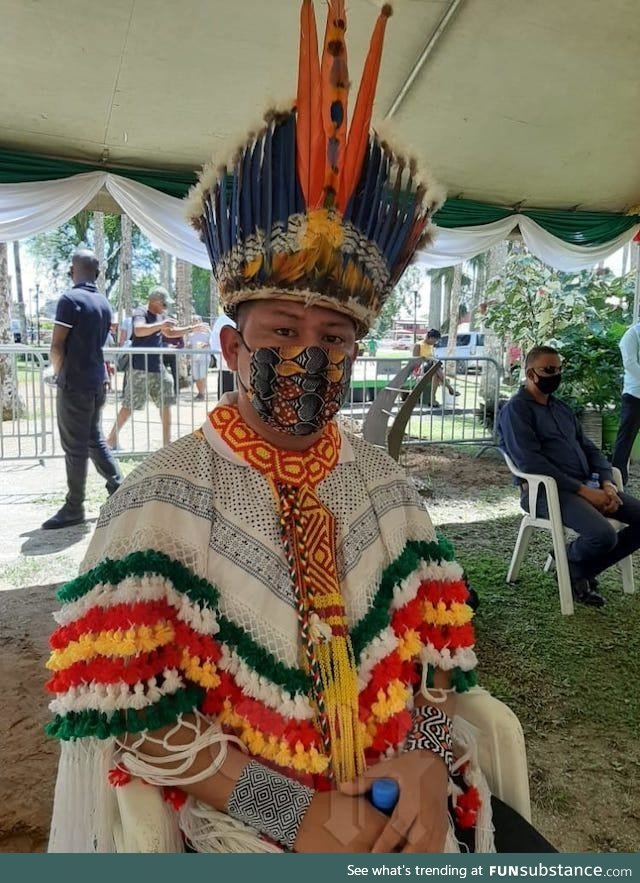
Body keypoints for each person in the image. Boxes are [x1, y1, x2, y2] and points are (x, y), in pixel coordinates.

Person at [47, 0, 553, 855]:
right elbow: (129, 716)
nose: (310, 356)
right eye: (283, 333)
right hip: (248, 826)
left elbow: (435, 654)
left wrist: (426, 761)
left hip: (409, 794)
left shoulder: (387, 489)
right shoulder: (161, 496)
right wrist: (303, 815)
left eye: (336, 337)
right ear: (235, 344)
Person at [499, 344, 640, 608]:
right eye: (548, 370)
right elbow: (531, 462)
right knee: (603, 536)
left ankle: (574, 564)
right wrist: (586, 492)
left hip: (589, 486)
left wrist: (607, 483)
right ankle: (576, 568)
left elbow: (588, 447)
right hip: (545, 493)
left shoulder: (561, 408)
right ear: (530, 374)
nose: (556, 375)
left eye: (559, 369)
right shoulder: (516, 410)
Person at [43, 247, 122, 530]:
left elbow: (56, 345)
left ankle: (74, 507)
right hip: (97, 380)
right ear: (97, 273)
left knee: (75, 447)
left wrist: (54, 372)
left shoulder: (69, 299)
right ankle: (119, 487)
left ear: (72, 270)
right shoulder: (103, 303)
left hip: (74, 382)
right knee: (93, 438)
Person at [106, 286, 191, 449]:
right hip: (140, 368)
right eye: (164, 304)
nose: (166, 308)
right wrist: (160, 325)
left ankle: (167, 444)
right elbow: (138, 330)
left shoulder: (160, 316)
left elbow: (169, 333)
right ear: (154, 302)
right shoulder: (141, 312)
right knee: (129, 405)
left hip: (158, 368)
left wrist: (190, 329)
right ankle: (111, 439)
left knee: (166, 403)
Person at [611, 320, 640, 485]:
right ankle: (617, 480)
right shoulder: (632, 334)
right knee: (625, 441)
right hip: (634, 395)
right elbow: (630, 364)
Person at [412, 329, 458, 408]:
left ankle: (432, 400)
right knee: (435, 366)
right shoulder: (418, 345)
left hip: (431, 369)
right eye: (435, 340)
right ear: (431, 338)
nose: (435, 342)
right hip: (420, 369)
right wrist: (428, 359)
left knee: (436, 375)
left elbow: (431, 357)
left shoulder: (430, 346)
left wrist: (432, 359)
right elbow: (415, 360)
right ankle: (449, 388)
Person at [209, 313, 236, 399]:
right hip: (227, 369)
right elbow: (215, 344)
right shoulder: (223, 320)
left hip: (238, 368)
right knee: (226, 403)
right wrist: (228, 363)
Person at [188, 314, 212, 400]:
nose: (196, 323)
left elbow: (213, 342)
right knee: (196, 376)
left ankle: (202, 393)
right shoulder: (190, 335)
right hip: (194, 358)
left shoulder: (207, 332)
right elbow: (188, 345)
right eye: (194, 321)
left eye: (197, 321)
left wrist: (206, 344)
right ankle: (199, 393)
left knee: (202, 376)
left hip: (204, 357)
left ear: (200, 322)